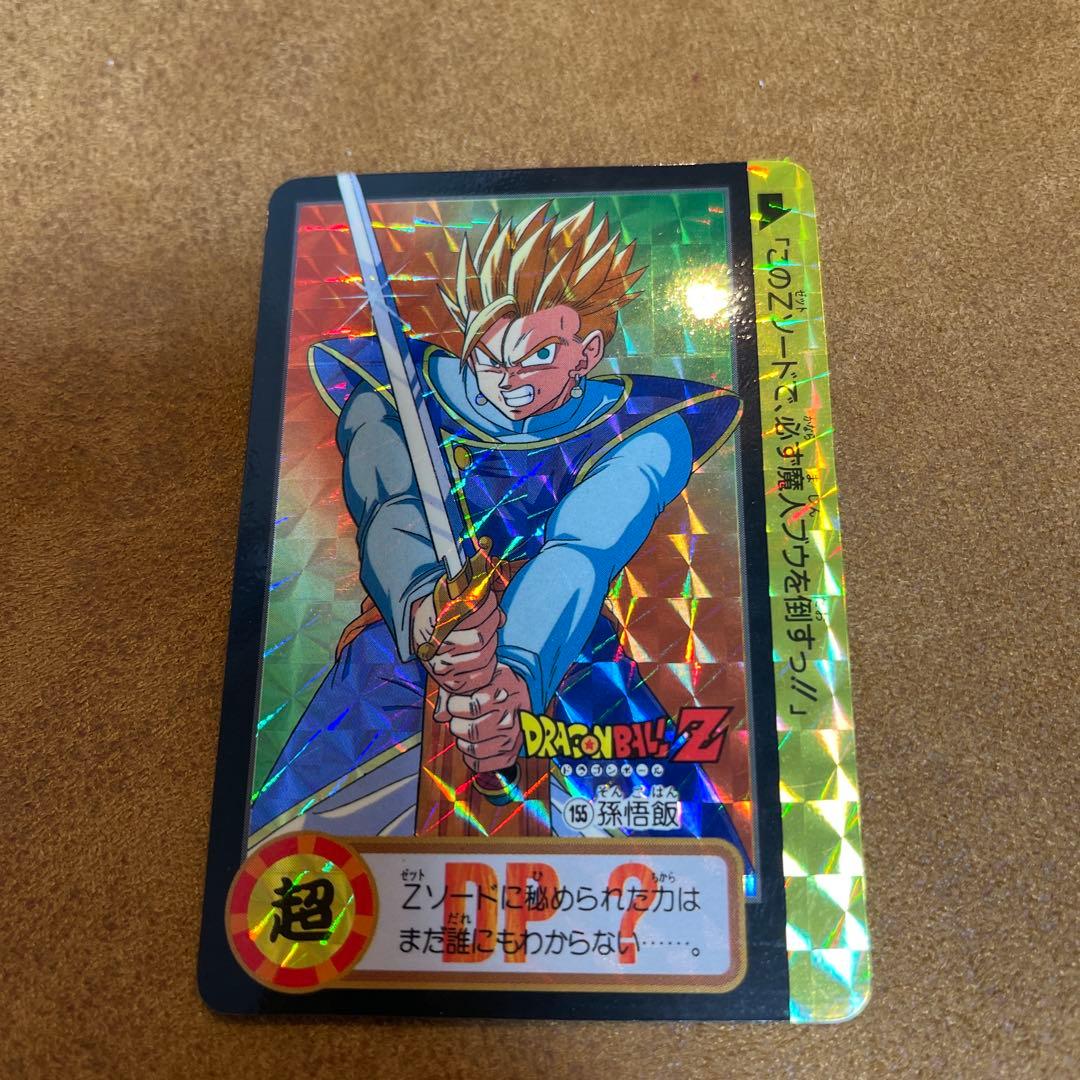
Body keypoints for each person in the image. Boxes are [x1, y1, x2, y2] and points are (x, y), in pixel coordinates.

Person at [250, 202, 744, 850]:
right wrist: (425, 607)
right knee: (291, 859)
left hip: (560, 650)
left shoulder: (645, 431)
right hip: (410, 650)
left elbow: (581, 549)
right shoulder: (390, 390)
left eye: (539, 356)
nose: (508, 383)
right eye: (488, 358)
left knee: (678, 858)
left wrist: (515, 673)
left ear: (588, 352)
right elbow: (391, 506)